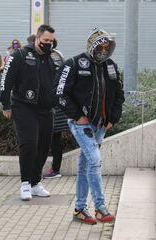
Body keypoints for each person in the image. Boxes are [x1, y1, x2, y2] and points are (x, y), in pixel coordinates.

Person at [55, 28, 124, 224]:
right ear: (92, 46)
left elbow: (119, 95)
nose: (103, 50)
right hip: (81, 124)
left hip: (101, 125)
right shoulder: (74, 63)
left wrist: (113, 118)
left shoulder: (111, 66)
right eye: (100, 47)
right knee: (94, 161)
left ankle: (79, 209)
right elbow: (60, 92)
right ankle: (100, 207)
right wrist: (77, 116)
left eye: (107, 47)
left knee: (85, 165)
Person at [0, 24, 56, 201]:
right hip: (24, 106)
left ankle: (35, 183)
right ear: (37, 38)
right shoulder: (20, 55)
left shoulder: (50, 58)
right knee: (29, 144)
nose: (48, 43)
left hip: (46, 109)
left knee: (44, 146)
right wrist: (5, 105)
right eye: (46, 40)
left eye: (51, 41)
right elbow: (6, 80)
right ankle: (25, 183)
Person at [44, 39, 69, 179]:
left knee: (52, 139)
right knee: (55, 139)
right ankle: (55, 168)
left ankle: (55, 169)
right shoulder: (59, 55)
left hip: (52, 103)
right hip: (59, 102)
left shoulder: (51, 57)